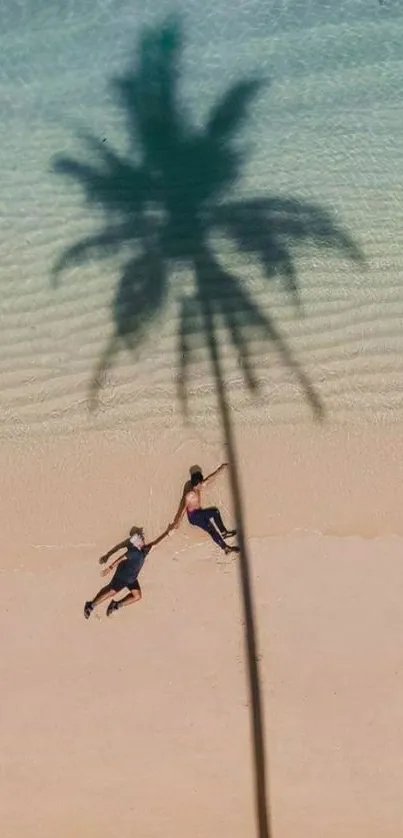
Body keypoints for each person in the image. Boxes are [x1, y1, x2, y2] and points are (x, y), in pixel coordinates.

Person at [84, 524, 170, 619]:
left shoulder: (143, 551)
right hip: (123, 576)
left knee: (137, 596)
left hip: (132, 578)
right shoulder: (134, 552)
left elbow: (156, 544)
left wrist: (167, 533)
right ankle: (91, 605)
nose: (143, 539)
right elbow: (121, 558)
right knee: (111, 591)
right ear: (137, 543)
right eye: (141, 539)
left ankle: (116, 605)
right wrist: (109, 568)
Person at [170, 463, 239, 555]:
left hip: (199, 512)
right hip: (194, 517)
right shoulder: (190, 495)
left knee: (215, 512)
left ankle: (224, 533)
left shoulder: (197, 487)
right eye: (200, 482)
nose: (202, 483)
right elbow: (183, 509)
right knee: (211, 528)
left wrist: (220, 469)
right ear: (197, 483)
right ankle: (225, 548)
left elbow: (209, 479)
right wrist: (177, 522)